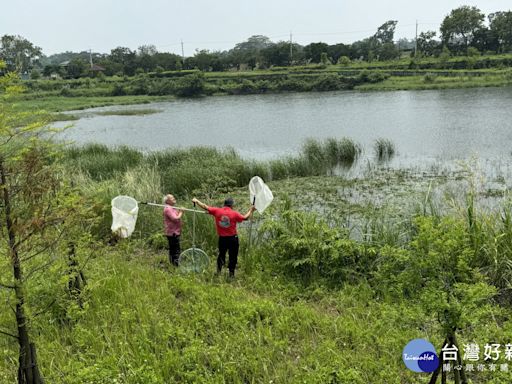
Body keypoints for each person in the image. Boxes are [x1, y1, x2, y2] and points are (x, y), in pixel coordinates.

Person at [192, 197, 255, 278]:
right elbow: (245, 218)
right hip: (233, 239)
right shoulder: (234, 213)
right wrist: (251, 210)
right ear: (231, 205)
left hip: (222, 239)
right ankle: (231, 274)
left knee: (221, 255)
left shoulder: (217, 211)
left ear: (224, 204)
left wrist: (197, 201)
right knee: (233, 256)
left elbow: (205, 206)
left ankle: (218, 272)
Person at [163, 194, 183, 266]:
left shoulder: (172, 207)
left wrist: (179, 211)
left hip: (176, 231)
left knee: (175, 248)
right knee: (175, 250)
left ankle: (175, 264)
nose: (174, 198)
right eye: (172, 198)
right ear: (167, 201)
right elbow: (175, 218)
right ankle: (175, 265)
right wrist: (181, 212)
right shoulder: (168, 208)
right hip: (172, 233)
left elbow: (176, 216)